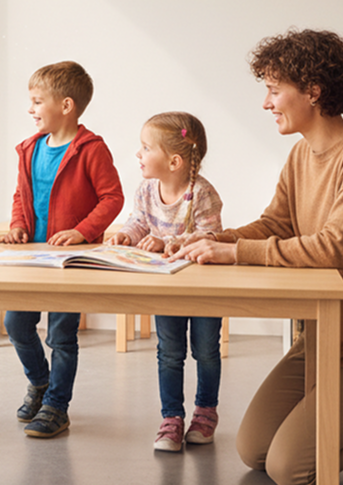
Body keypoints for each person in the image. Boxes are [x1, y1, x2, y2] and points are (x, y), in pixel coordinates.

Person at [170, 29, 343, 485]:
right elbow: (276, 225)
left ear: (312, 91)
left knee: (290, 468)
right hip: (324, 341)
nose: (266, 103)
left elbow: (337, 246)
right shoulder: (300, 155)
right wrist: (204, 240)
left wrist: (235, 252)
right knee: (252, 449)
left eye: (274, 90)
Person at [0, 61, 124, 438]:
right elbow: (22, 193)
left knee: (61, 336)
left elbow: (112, 197)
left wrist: (83, 232)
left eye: (37, 101)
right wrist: (18, 224)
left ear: (66, 105)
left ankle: (56, 405)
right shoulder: (29, 147)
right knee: (16, 323)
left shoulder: (91, 149)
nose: (31, 109)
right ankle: (40, 383)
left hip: (69, 260)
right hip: (31, 256)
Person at [107, 112, 224, 453]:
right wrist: (126, 236)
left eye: (145, 148)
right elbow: (138, 222)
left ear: (173, 161)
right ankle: (171, 418)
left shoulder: (201, 193)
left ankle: (205, 413)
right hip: (166, 286)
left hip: (204, 287)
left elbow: (210, 233)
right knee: (170, 354)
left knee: (206, 352)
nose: (138, 154)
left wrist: (172, 243)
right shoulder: (145, 190)